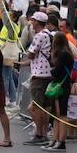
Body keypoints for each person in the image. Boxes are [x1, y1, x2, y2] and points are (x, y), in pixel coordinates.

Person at [24, 12, 54, 146]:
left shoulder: (40, 36)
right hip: (48, 73)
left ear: (38, 22)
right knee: (46, 106)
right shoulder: (51, 35)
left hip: (39, 74)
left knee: (35, 107)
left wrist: (27, 54)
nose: (31, 22)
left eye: (34, 20)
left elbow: (31, 54)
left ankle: (40, 133)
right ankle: (44, 133)